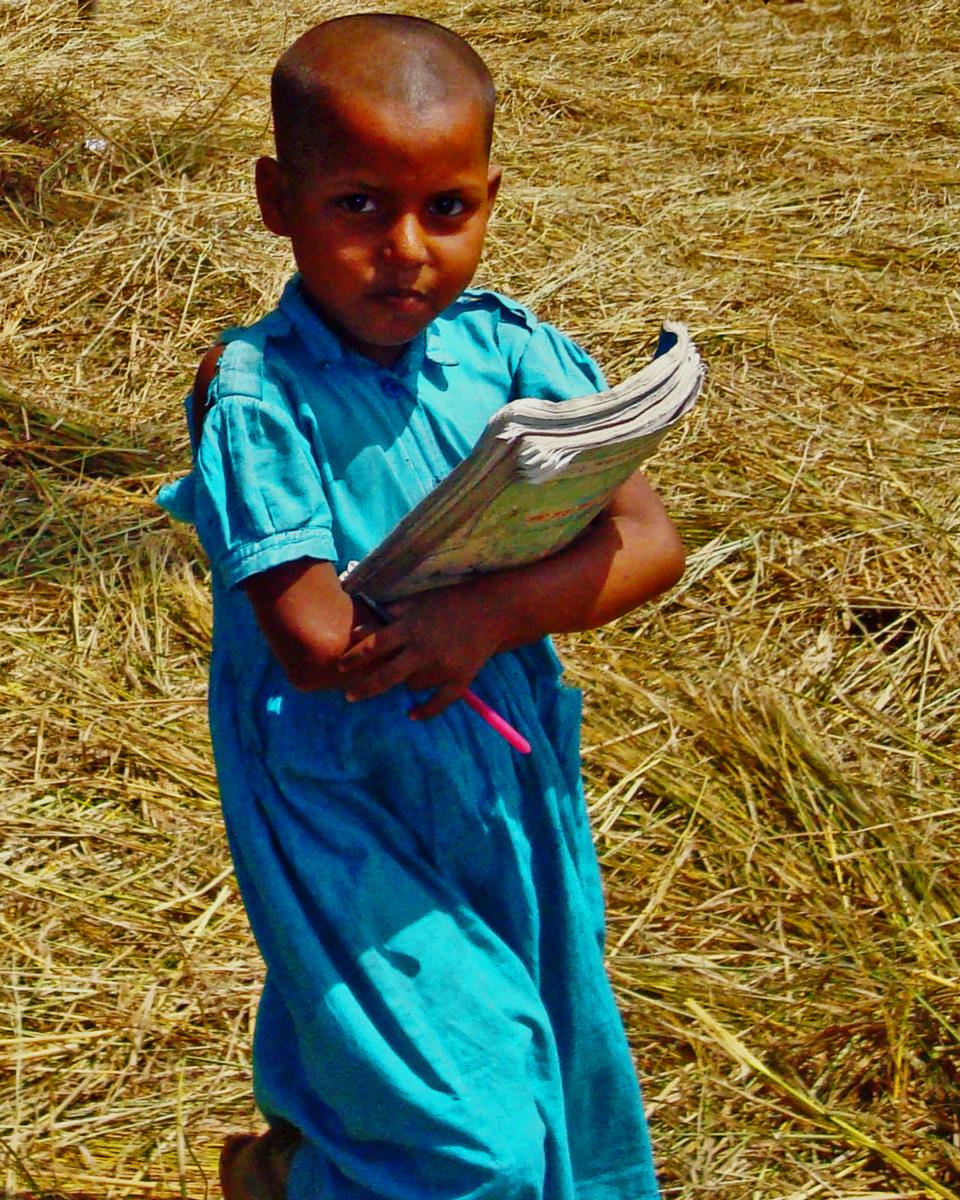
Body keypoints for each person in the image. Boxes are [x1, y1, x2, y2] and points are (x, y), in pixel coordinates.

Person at [158, 13, 685, 1200]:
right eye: (357, 207)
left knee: (548, 1064)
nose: (406, 250)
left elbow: (652, 542)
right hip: (342, 792)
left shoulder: (513, 355)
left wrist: (491, 619)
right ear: (276, 199)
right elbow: (309, 641)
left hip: (506, 772)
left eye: (446, 209)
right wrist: (477, 604)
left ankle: (304, 1168)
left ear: (489, 197)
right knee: (465, 1139)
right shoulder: (258, 394)